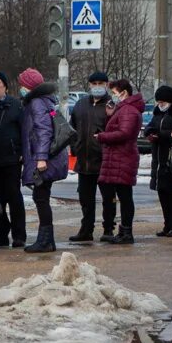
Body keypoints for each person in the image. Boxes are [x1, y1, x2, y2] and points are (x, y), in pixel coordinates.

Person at [18, 67, 68, 253]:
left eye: (22, 84)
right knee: (41, 197)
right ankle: (46, 239)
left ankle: (46, 240)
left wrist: (41, 158)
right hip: (49, 156)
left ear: (29, 86)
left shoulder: (37, 103)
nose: (20, 88)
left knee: (41, 197)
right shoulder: (46, 100)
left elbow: (43, 130)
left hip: (44, 158)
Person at [68, 71, 115, 243]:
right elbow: (72, 129)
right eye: (93, 83)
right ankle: (86, 229)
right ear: (89, 85)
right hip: (84, 161)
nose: (97, 87)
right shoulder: (80, 105)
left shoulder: (111, 105)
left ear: (106, 85)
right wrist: (75, 147)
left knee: (108, 198)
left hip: (104, 160)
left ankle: (109, 229)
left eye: (100, 83)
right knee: (85, 199)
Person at [96, 79, 144, 245]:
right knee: (121, 196)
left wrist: (102, 137)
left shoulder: (128, 110)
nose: (113, 96)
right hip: (118, 157)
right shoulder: (123, 109)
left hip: (122, 157)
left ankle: (126, 232)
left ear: (124, 92)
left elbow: (124, 133)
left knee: (125, 196)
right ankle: (123, 231)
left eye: (115, 93)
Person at [0, 71, 27, 248]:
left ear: (5, 87)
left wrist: (23, 152)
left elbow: (25, 131)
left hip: (11, 159)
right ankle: (1, 233)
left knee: (14, 198)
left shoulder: (15, 106)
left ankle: (19, 235)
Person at [146, 86, 172, 237]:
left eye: (163, 102)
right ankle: (168, 225)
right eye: (158, 102)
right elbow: (149, 128)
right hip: (159, 160)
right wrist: (151, 133)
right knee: (163, 193)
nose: (160, 105)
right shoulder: (157, 114)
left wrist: (162, 135)